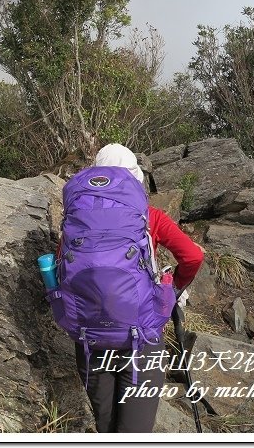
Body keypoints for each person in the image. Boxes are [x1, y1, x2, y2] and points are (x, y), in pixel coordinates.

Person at [75, 143, 205, 433]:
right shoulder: (151, 217)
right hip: (141, 338)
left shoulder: (79, 220)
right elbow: (193, 256)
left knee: (105, 428)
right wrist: (173, 293)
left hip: (90, 340)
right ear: (136, 179)